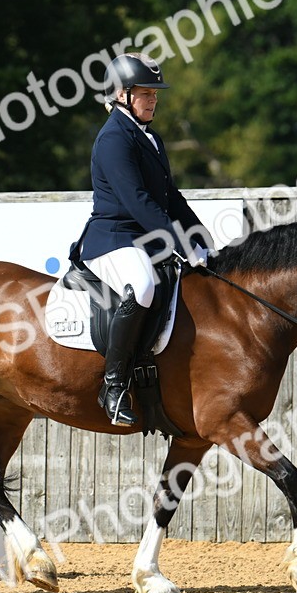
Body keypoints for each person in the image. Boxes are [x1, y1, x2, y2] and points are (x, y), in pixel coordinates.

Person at [70, 52, 212, 426]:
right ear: (121, 94)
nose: (153, 99)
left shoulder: (150, 137)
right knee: (144, 285)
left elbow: (170, 196)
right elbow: (138, 202)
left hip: (142, 239)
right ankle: (113, 386)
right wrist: (178, 242)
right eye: (145, 92)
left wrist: (200, 237)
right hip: (113, 239)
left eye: (154, 93)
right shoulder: (114, 139)